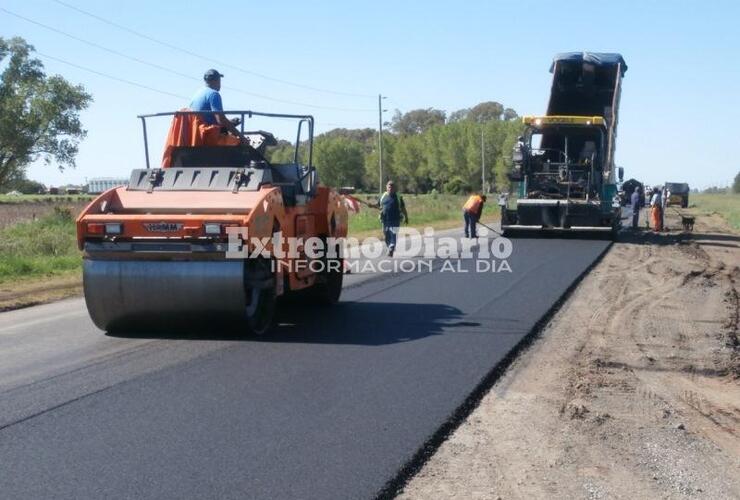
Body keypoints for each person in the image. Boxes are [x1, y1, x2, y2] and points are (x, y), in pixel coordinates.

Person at [189, 69, 246, 142]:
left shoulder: (198, 93)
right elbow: (221, 120)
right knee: (240, 144)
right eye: (219, 80)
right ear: (215, 81)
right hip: (209, 135)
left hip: (196, 134)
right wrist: (240, 136)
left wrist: (230, 122)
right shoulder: (214, 94)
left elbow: (210, 118)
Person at [378, 181, 408, 256]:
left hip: (395, 219)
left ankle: (391, 247)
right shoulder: (383, 196)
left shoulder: (398, 197)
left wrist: (406, 217)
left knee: (393, 234)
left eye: (392, 187)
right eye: (389, 186)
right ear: (386, 187)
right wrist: (371, 205)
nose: (390, 188)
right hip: (385, 220)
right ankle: (390, 247)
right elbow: (378, 205)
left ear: (395, 188)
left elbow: (403, 208)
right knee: (386, 235)